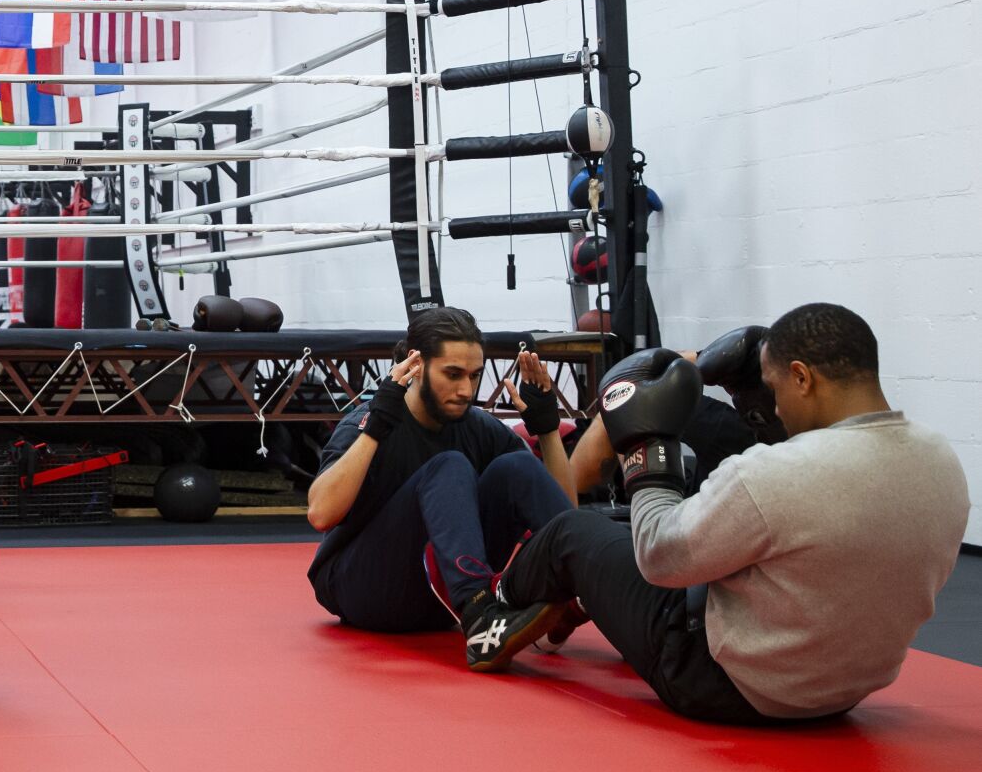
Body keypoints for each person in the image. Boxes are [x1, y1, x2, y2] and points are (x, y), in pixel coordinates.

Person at [498, 303, 970, 723]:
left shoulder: (776, 473)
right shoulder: (942, 461)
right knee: (680, 533)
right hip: (843, 691)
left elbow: (658, 558)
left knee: (575, 531)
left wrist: (646, 452)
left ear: (802, 378)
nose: (777, 408)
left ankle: (491, 603)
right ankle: (566, 608)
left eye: (774, 389)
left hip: (722, 685)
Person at [305, 306, 580, 670]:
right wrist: (378, 425)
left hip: (438, 602)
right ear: (415, 366)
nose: (466, 390)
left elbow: (566, 513)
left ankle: (592, 590)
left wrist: (546, 429)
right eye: (452, 375)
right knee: (449, 466)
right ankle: (480, 614)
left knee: (519, 465)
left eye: (474, 376)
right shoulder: (368, 421)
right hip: (365, 591)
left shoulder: (477, 427)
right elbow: (321, 514)